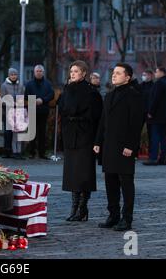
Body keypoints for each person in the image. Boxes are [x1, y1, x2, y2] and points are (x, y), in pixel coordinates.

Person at [94, 63, 144, 231]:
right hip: (109, 146)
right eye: (113, 73)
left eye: (118, 73)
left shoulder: (134, 95)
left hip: (124, 147)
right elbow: (103, 121)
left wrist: (131, 145)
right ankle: (113, 215)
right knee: (110, 182)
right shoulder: (109, 95)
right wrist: (97, 142)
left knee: (126, 183)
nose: (113, 76)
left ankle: (126, 218)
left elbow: (136, 123)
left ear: (127, 77)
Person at [59, 61, 103, 222]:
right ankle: (74, 207)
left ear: (84, 73)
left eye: (76, 71)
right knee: (72, 174)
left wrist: (96, 140)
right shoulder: (67, 90)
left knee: (84, 174)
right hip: (71, 136)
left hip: (86, 137)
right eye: (71, 71)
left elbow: (97, 118)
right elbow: (62, 111)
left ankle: (83, 207)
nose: (72, 74)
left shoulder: (91, 92)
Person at [143, 67, 166, 166]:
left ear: (161, 72)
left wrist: (150, 112)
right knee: (163, 138)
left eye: (156, 72)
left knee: (155, 136)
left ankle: (153, 158)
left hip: (157, 115)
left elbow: (155, 99)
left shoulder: (159, 83)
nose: (155, 74)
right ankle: (162, 159)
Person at [25, 65, 55, 159]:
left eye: (40, 71)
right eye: (37, 71)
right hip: (32, 111)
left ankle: (42, 153)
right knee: (32, 133)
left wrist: (42, 100)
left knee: (42, 133)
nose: (38, 72)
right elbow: (26, 96)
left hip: (43, 111)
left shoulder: (48, 83)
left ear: (43, 72)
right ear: (34, 72)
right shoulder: (29, 84)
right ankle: (32, 152)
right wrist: (35, 100)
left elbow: (51, 95)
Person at [0, 68, 25, 159]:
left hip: (18, 112)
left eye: (15, 74)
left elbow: (22, 96)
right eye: (12, 74)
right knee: (7, 133)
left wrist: (19, 103)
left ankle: (17, 152)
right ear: (9, 75)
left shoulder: (21, 85)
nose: (14, 76)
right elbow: (2, 99)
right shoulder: (4, 86)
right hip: (8, 111)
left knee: (17, 132)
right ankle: (7, 151)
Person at [140, 70, 154, 154]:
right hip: (141, 112)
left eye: (145, 75)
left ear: (150, 76)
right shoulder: (140, 86)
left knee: (151, 133)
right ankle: (135, 153)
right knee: (137, 132)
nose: (143, 76)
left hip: (150, 113)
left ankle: (151, 153)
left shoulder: (154, 86)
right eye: (143, 74)